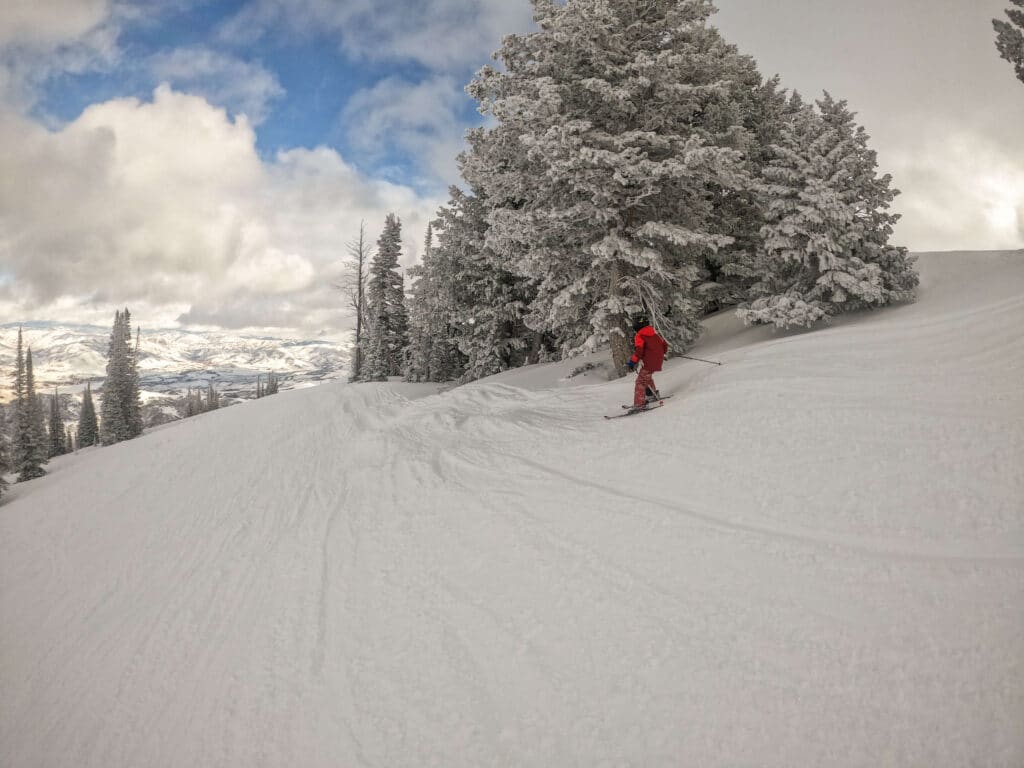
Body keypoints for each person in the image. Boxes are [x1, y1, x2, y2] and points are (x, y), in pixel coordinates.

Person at [627, 318, 668, 409]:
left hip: (649, 362)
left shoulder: (639, 335)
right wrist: (660, 354)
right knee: (647, 377)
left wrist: (632, 361)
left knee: (640, 381)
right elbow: (664, 345)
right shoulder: (654, 333)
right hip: (657, 360)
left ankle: (639, 404)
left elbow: (639, 351)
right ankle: (651, 395)